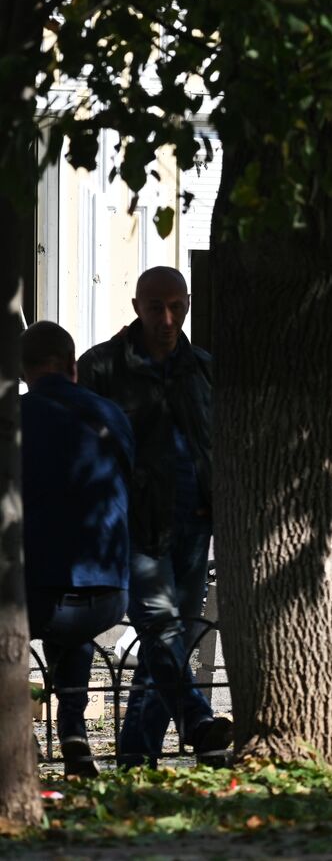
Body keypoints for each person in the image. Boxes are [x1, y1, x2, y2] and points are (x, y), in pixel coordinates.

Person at [78, 265, 230, 768]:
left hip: (195, 518)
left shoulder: (204, 367)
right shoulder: (101, 368)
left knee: (174, 636)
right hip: (134, 521)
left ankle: (136, 757)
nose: (167, 318)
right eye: (155, 307)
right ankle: (195, 719)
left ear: (187, 303)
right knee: (162, 627)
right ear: (137, 307)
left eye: (176, 306)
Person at [21, 322, 134, 778]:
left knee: (40, 593)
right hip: (107, 593)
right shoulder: (112, 415)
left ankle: (19, 735)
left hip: (32, 596)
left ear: (22, 371)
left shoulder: (13, 418)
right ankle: (73, 734)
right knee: (73, 622)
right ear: (73, 365)